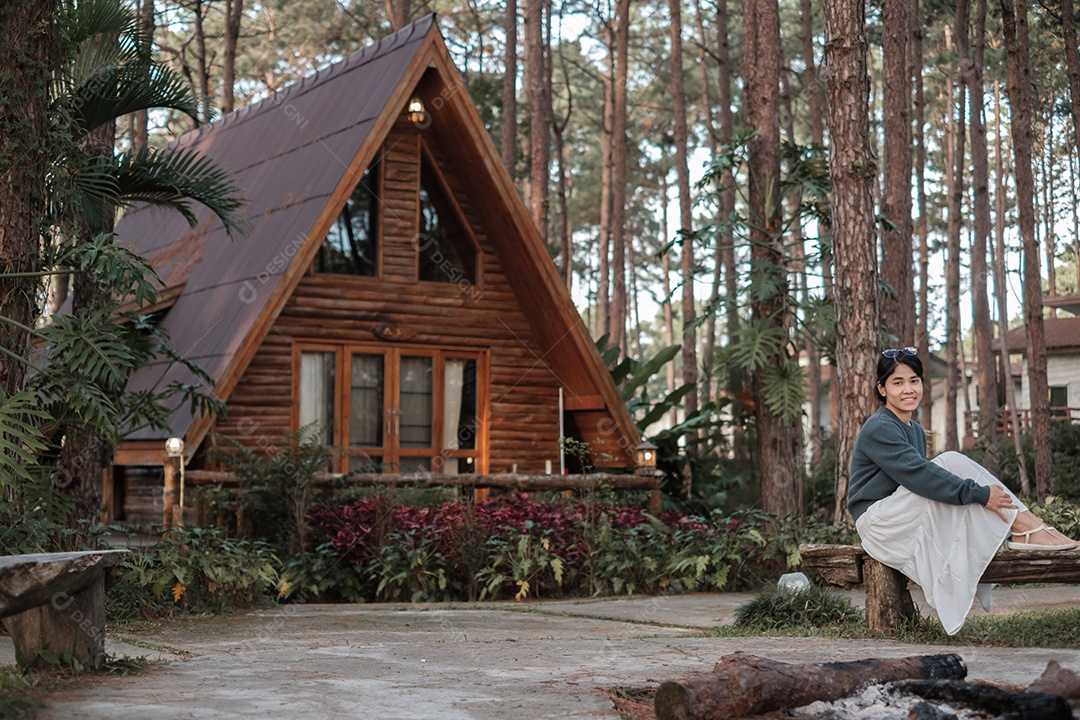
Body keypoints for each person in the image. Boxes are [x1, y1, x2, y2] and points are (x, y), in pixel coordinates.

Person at [848, 347, 1076, 635]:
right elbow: (919, 477)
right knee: (951, 462)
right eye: (898, 382)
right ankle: (1028, 528)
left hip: (901, 513)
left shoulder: (914, 430)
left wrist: (975, 494)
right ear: (882, 389)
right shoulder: (879, 427)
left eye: (914, 380)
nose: (908, 389)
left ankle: (1028, 527)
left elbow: (921, 485)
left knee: (952, 469)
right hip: (878, 523)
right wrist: (979, 494)